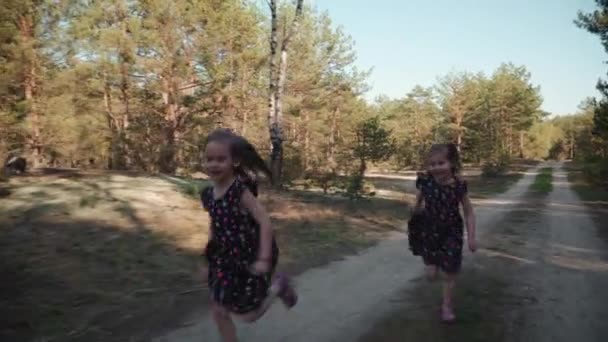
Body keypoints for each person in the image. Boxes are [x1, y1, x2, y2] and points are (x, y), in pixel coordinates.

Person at [200, 129, 297, 342]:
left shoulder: (239, 191)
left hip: (250, 255)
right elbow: (215, 225)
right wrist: (209, 260)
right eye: (209, 159)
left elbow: (264, 221)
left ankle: (278, 287)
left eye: (220, 159)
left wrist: (263, 259)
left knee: (249, 315)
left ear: (234, 161)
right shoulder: (207, 194)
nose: (214, 164)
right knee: (218, 308)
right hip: (224, 257)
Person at [412, 143, 476, 322]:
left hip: (451, 233)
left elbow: (469, 212)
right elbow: (419, 200)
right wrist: (415, 211)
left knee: (450, 272)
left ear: (452, 163)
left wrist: (471, 237)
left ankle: (446, 305)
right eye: (432, 164)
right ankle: (433, 264)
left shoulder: (458, 186)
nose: (436, 167)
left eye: (441, 163)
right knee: (431, 275)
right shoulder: (426, 183)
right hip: (430, 231)